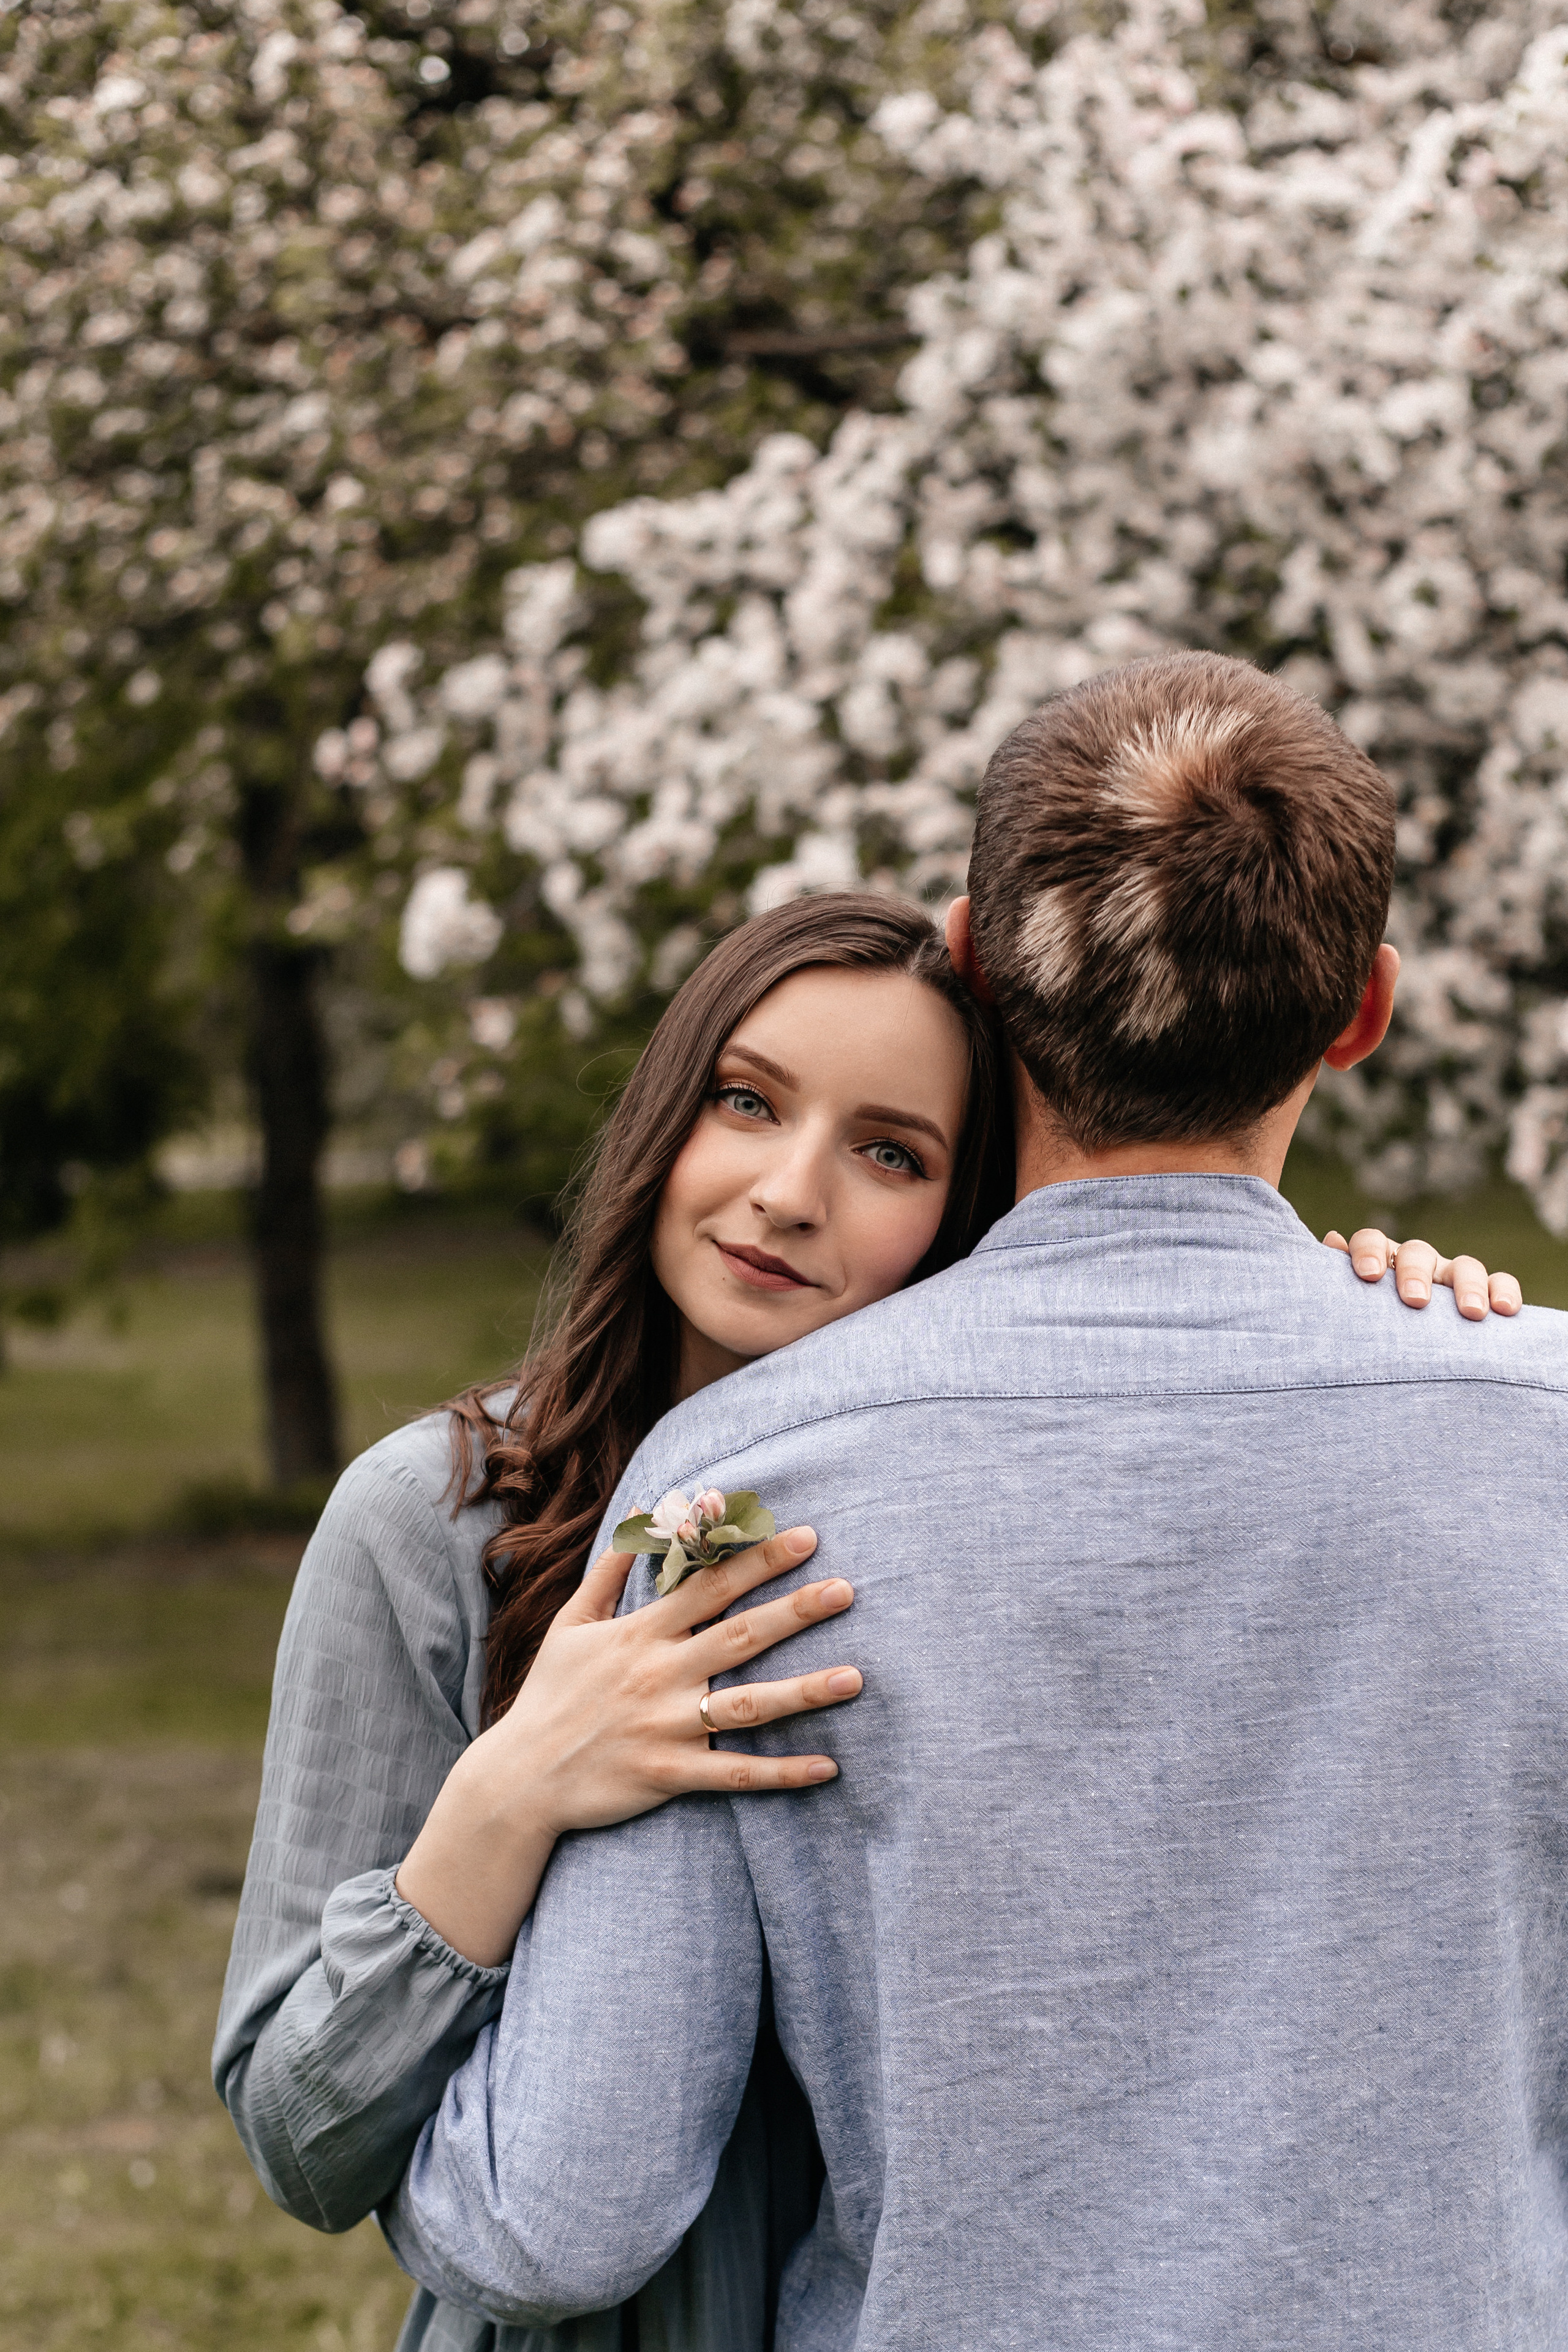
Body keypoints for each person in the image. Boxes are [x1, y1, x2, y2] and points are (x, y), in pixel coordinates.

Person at [379, 651, 1567, 2352]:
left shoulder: (742, 1489)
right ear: (1362, 1013)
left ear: (977, 970)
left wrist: (392, 2142)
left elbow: (561, 2213)